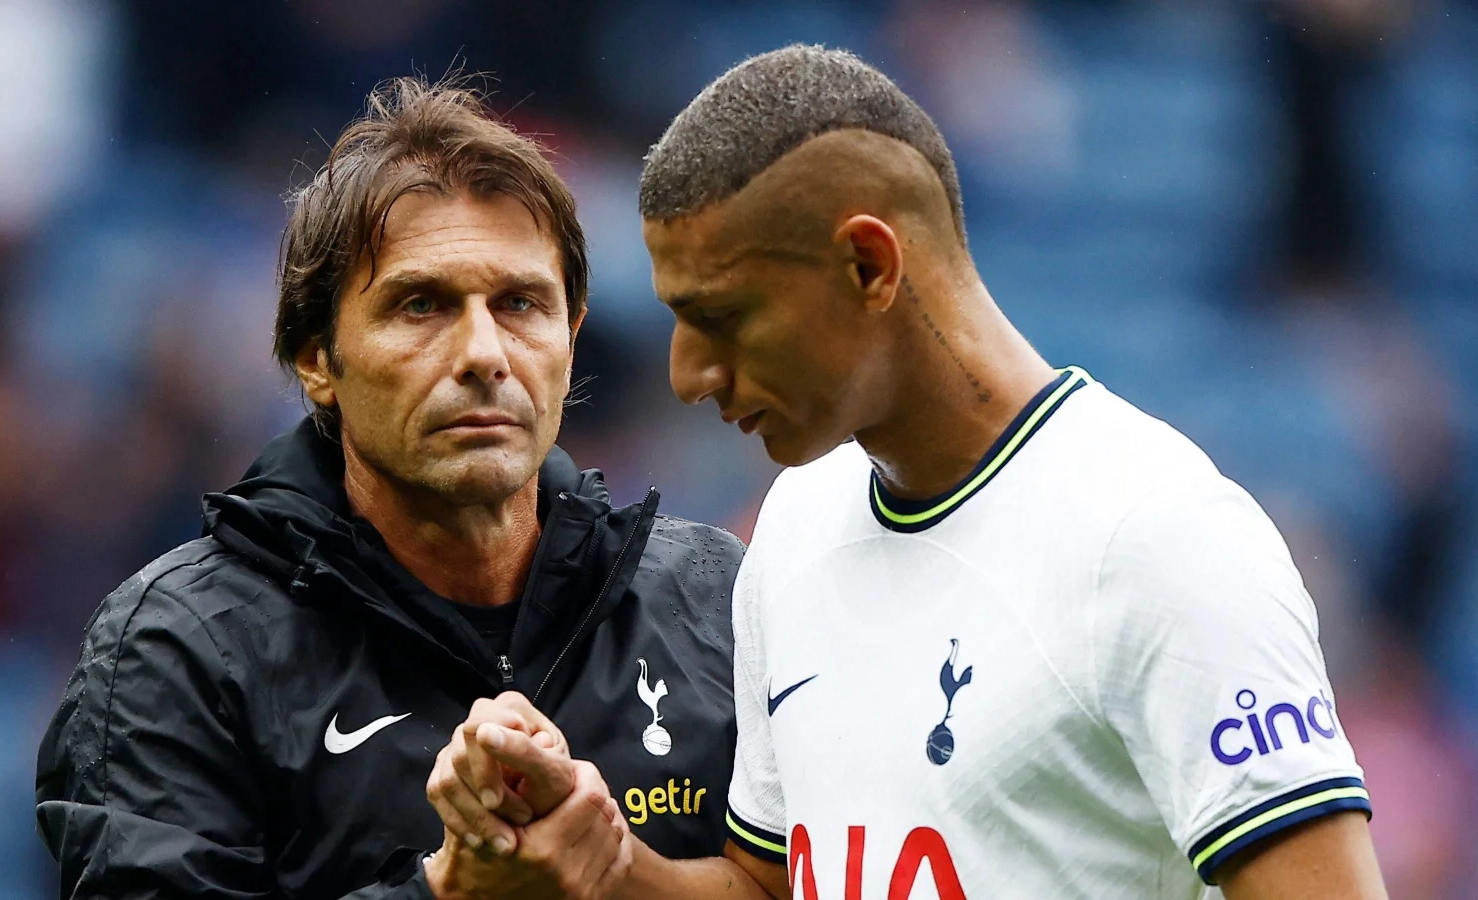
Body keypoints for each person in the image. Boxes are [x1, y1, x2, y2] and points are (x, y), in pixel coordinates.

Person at [429, 44, 1391, 900]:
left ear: (868, 265)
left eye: (721, 317)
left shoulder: (1158, 538)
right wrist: (594, 862)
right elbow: (771, 886)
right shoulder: (795, 524)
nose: (689, 375)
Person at [33, 76, 744, 900]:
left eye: (520, 303)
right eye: (421, 305)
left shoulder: (715, 602)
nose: (485, 354)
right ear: (316, 357)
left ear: (571, 337)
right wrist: (446, 892)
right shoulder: (181, 652)